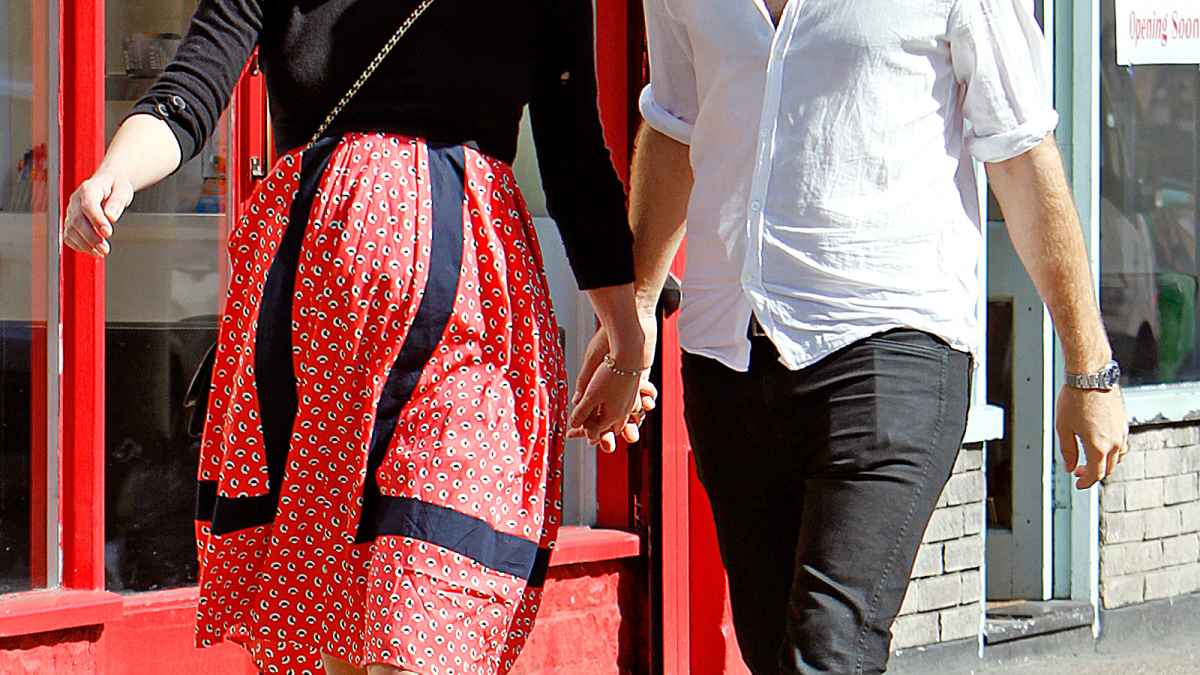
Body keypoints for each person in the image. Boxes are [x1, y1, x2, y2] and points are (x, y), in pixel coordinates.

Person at [62, 1, 650, 673]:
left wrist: (628, 342)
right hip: (321, 327)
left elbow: (574, 158)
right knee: (336, 622)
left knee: (427, 612)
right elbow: (191, 88)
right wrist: (116, 174)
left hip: (468, 314)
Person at [576, 0, 1130, 672]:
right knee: (774, 650)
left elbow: (1020, 155)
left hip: (892, 352)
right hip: (728, 355)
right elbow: (674, 126)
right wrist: (635, 309)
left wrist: (1089, 367)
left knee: (828, 651)